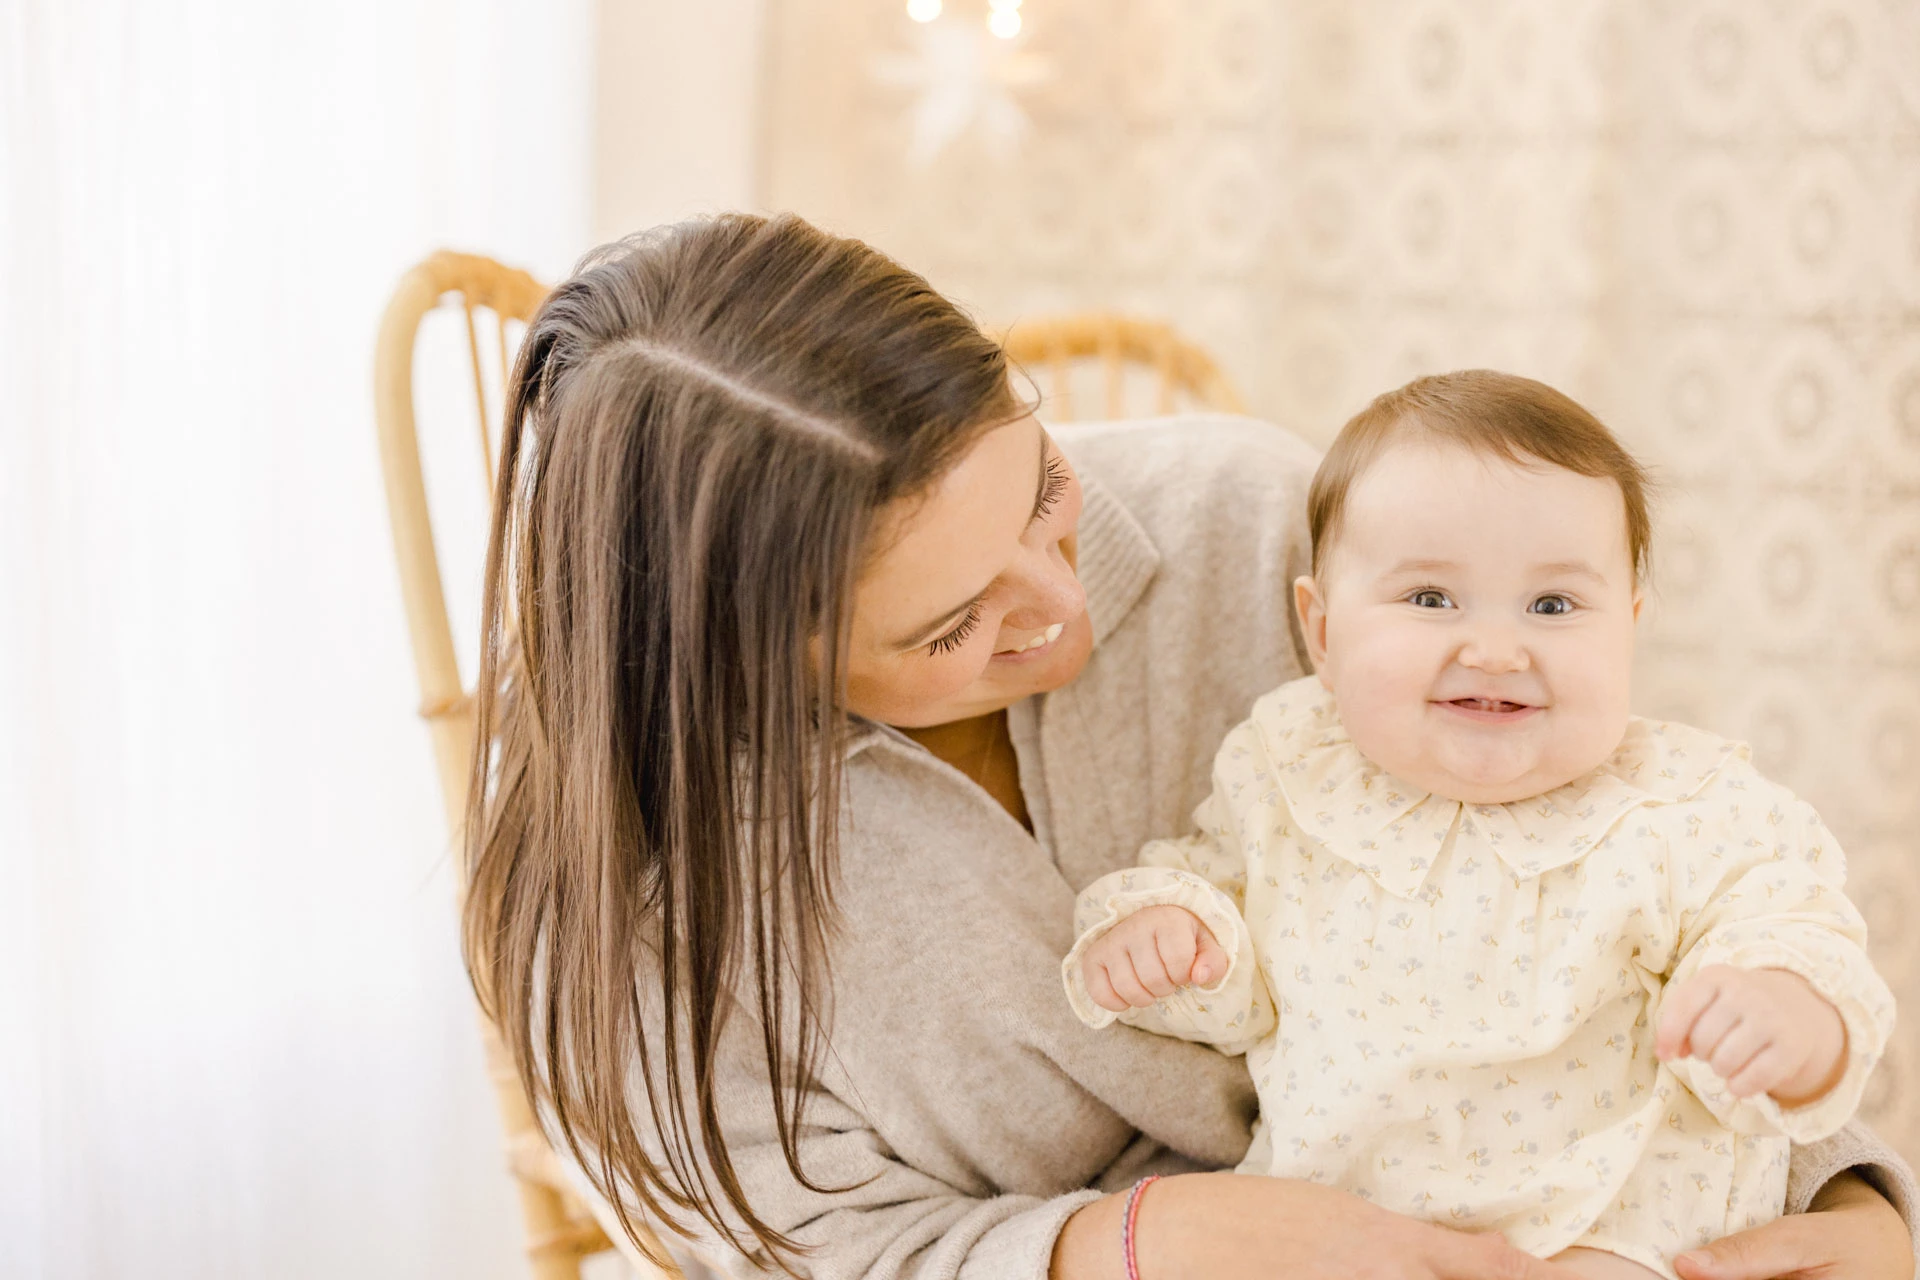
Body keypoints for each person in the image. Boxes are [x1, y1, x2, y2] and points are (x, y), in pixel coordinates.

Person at [461, 212, 1917, 1280]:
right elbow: (816, 1251)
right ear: (749, 663)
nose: (1060, 602)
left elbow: (1601, 879)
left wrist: (1850, 1206)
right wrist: (1131, 1247)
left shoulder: (1242, 517)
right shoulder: (642, 898)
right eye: (955, 624)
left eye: (1042, 488)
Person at [1062, 371, 1895, 1280]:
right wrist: (1178, 941)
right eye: (1430, 599)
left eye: (1553, 606)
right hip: (1344, 1239)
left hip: (1614, 1234)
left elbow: (1789, 924)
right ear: (1323, 633)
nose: (1497, 648)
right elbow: (1237, 968)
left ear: (1630, 628)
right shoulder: (1289, 778)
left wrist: (1791, 1016)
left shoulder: (1682, 808)